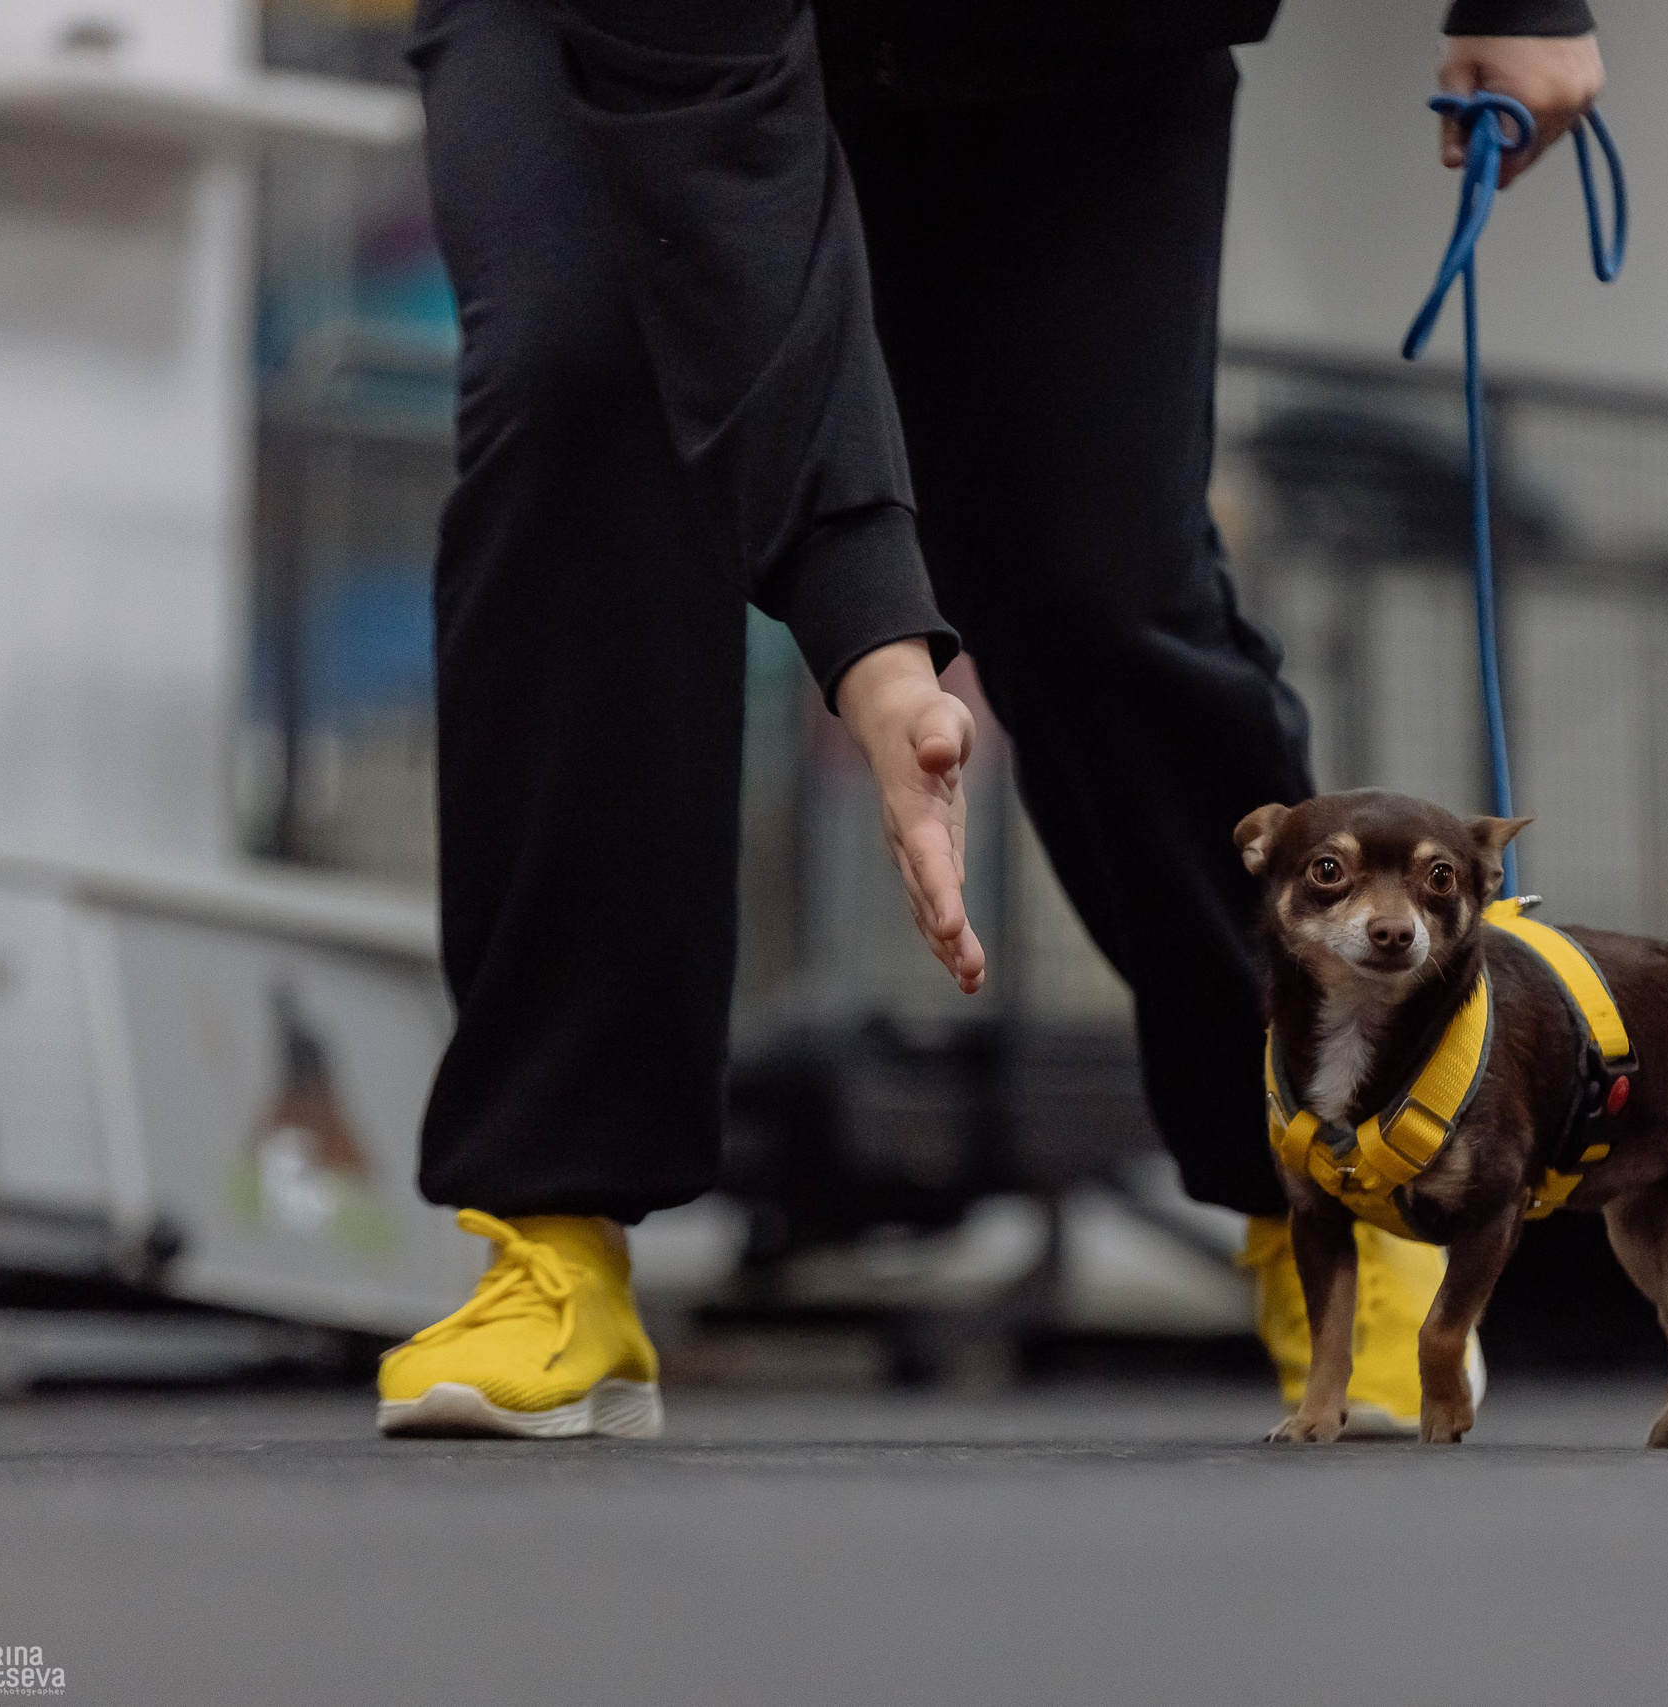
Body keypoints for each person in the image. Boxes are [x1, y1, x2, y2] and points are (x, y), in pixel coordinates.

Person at [377, 0, 1605, 1440]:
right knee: (589, 406)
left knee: (1096, 579)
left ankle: (1331, 1194)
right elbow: (721, 182)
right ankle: (553, 1228)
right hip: (620, 42)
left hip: (1067, 55)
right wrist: (880, 653)